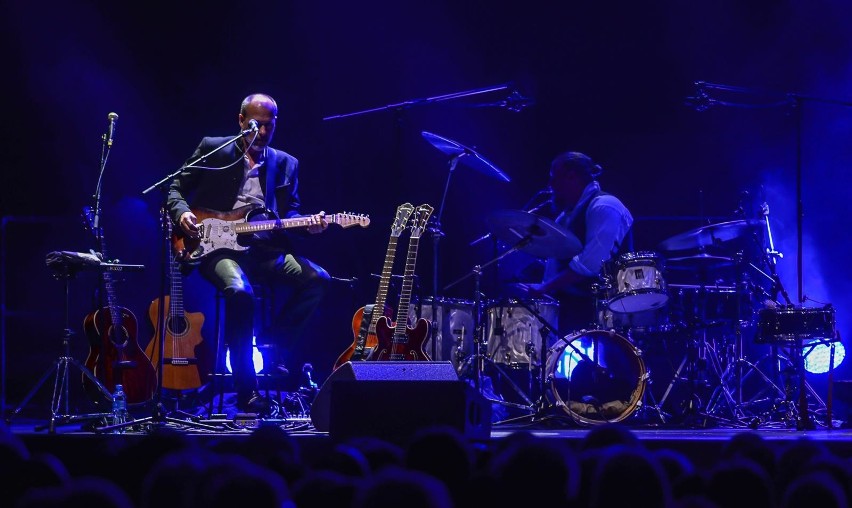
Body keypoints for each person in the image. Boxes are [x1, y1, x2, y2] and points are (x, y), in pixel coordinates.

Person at [167, 93, 330, 415]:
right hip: (216, 248)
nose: (263, 133)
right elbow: (174, 188)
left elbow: (290, 214)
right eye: (256, 125)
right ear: (241, 121)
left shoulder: (286, 163)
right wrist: (182, 213)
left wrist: (309, 225)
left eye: (270, 126)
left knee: (317, 279)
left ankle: (274, 343)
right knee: (238, 293)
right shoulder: (214, 148)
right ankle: (246, 390)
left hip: (265, 249)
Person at [523, 151, 633, 332]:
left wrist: (544, 288)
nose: (550, 185)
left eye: (554, 178)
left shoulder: (605, 206)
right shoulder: (567, 216)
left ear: (572, 177)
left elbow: (590, 265)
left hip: (600, 313)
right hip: (574, 308)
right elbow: (556, 262)